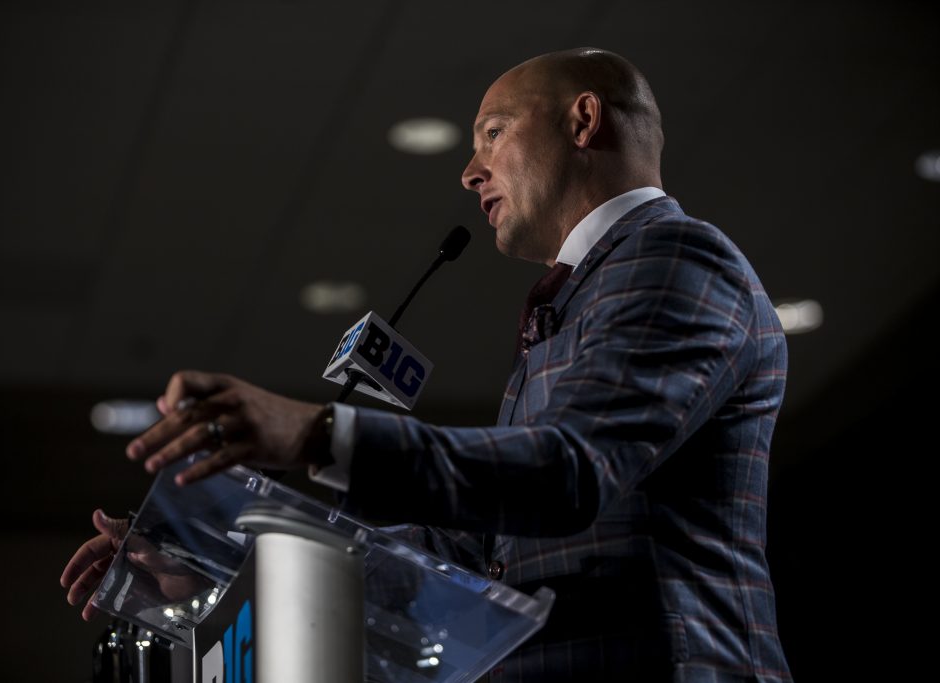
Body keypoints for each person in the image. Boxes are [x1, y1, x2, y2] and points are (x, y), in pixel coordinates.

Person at [63, 48, 792, 681]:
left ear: (583, 120)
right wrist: (219, 571)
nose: (470, 171)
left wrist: (320, 434)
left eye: (494, 133)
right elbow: (471, 555)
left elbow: (569, 469)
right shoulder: (583, 295)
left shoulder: (676, 257)